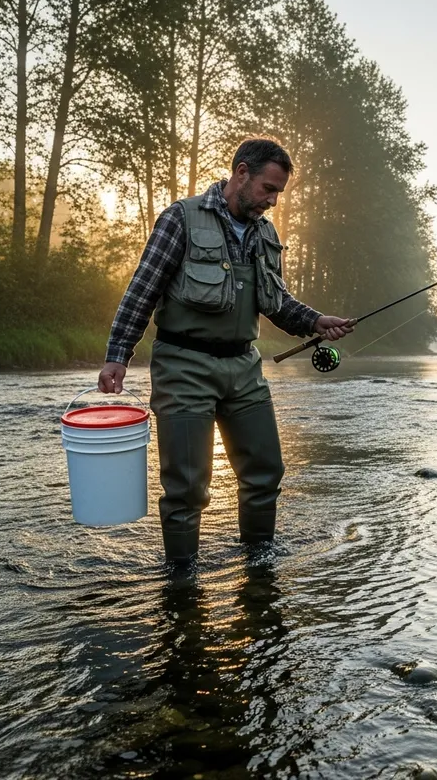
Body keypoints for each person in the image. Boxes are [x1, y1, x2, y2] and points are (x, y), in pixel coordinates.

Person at [98, 138, 354, 563]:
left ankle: (259, 568)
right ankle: (181, 584)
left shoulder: (265, 234)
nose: (272, 201)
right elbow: (142, 291)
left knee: (265, 472)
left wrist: (315, 321)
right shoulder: (181, 218)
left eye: (279, 193)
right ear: (240, 172)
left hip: (244, 368)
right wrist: (117, 355)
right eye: (268, 189)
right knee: (186, 488)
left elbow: (278, 302)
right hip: (183, 368)